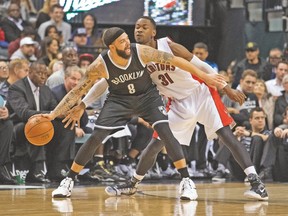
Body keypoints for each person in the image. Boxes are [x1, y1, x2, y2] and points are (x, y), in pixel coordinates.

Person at [71, 18, 268, 201]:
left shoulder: (171, 46)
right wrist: (83, 103)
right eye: (136, 27)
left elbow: (203, 66)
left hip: (200, 93)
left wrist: (226, 88)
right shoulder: (135, 55)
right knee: (155, 144)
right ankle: (132, 184)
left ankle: (256, 183)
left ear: (154, 32)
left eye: (144, 27)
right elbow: (105, 82)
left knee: (226, 135)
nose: (138, 29)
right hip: (177, 102)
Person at [37, 27, 226, 200]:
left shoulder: (140, 51)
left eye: (127, 39)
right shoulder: (100, 65)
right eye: (122, 41)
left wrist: (205, 76)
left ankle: (186, 181)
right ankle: (68, 181)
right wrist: (54, 114)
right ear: (112, 46)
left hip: (147, 98)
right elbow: (78, 90)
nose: (127, 43)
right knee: (96, 137)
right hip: (119, 100)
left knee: (166, 134)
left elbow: (176, 60)